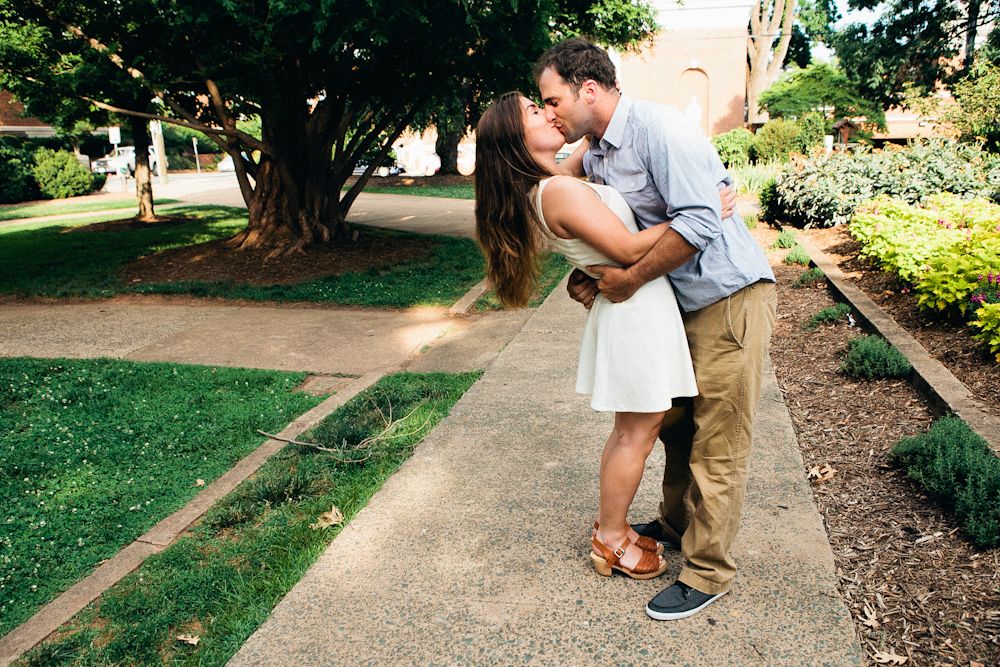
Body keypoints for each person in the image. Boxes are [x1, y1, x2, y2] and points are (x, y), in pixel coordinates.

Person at [534, 38, 776, 620]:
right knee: (675, 429)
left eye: (551, 99)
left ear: (587, 88)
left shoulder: (660, 130)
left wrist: (628, 279)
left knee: (719, 443)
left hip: (728, 297)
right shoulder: (594, 152)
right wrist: (592, 276)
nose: (549, 112)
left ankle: (708, 572)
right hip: (678, 304)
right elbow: (589, 216)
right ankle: (674, 524)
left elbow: (700, 224)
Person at [475, 91, 701, 581]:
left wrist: (591, 115)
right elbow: (626, 246)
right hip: (635, 313)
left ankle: (613, 527)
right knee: (635, 435)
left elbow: (593, 130)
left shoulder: (556, 179)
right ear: (516, 137)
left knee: (635, 431)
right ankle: (612, 538)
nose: (548, 112)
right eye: (535, 112)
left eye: (547, 102)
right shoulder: (557, 191)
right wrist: (699, 213)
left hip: (639, 310)